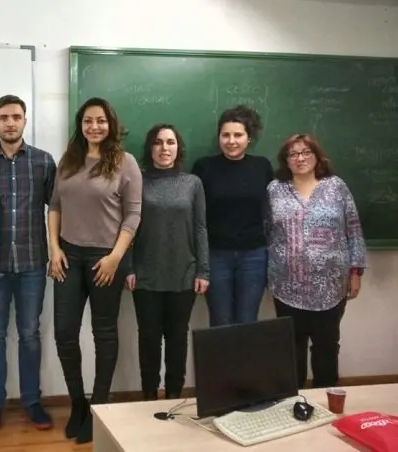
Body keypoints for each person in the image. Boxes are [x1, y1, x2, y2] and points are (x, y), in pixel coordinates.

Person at [48, 97, 142, 444]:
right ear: (80, 125)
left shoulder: (125, 162)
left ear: (110, 124)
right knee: (64, 333)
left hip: (106, 259)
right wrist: (54, 248)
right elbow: (55, 206)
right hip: (68, 257)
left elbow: (133, 215)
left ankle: (100, 405)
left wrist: (117, 256)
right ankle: (78, 405)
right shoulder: (68, 160)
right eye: (88, 121)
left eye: (100, 121)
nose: (94, 127)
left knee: (104, 333)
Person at [0, 95, 56, 432]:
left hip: (33, 264)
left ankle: (31, 401)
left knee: (29, 334)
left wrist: (56, 251)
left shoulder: (44, 162)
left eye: (17, 117)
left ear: (25, 121)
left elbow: (56, 211)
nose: (11, 123)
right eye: (4, 117)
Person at [266, 133, 366, 389]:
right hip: (287, 285)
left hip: (331, 286)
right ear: (285, 160)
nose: (300, 158)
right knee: (291, 347)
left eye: (306, 152)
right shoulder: (274, 190)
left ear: (317, 156)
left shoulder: (336, 187)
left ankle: (326, 401)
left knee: (326, 346)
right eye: (293, 154)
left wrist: (355, 271)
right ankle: (293, 402)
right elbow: (266, 230)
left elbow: (353, 229)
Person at [125, 124, 209, 401]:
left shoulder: (192, 183)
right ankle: (149, 395)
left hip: (183, 273)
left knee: (176, 338)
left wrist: (203, 269)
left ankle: (174, 394)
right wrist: (129, 266)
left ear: (178, 148)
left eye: (170, 142)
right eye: (158, 142)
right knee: (148, 338)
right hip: (146, 274)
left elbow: (200, 228)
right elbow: (127, 226)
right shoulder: (138, 181)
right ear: (151, 148)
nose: (164, 148)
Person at [191, 105, 273, 327]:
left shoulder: (262, 167)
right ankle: (221, 364)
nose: (231, 140)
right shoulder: (204, 167)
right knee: (220, 322)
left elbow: (272, 212)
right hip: (216, 256)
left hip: (254, 256)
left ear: (249, 138)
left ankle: (245, 364)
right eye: (225, 135)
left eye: (238, 135)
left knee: (247, 321)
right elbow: (195, 216)